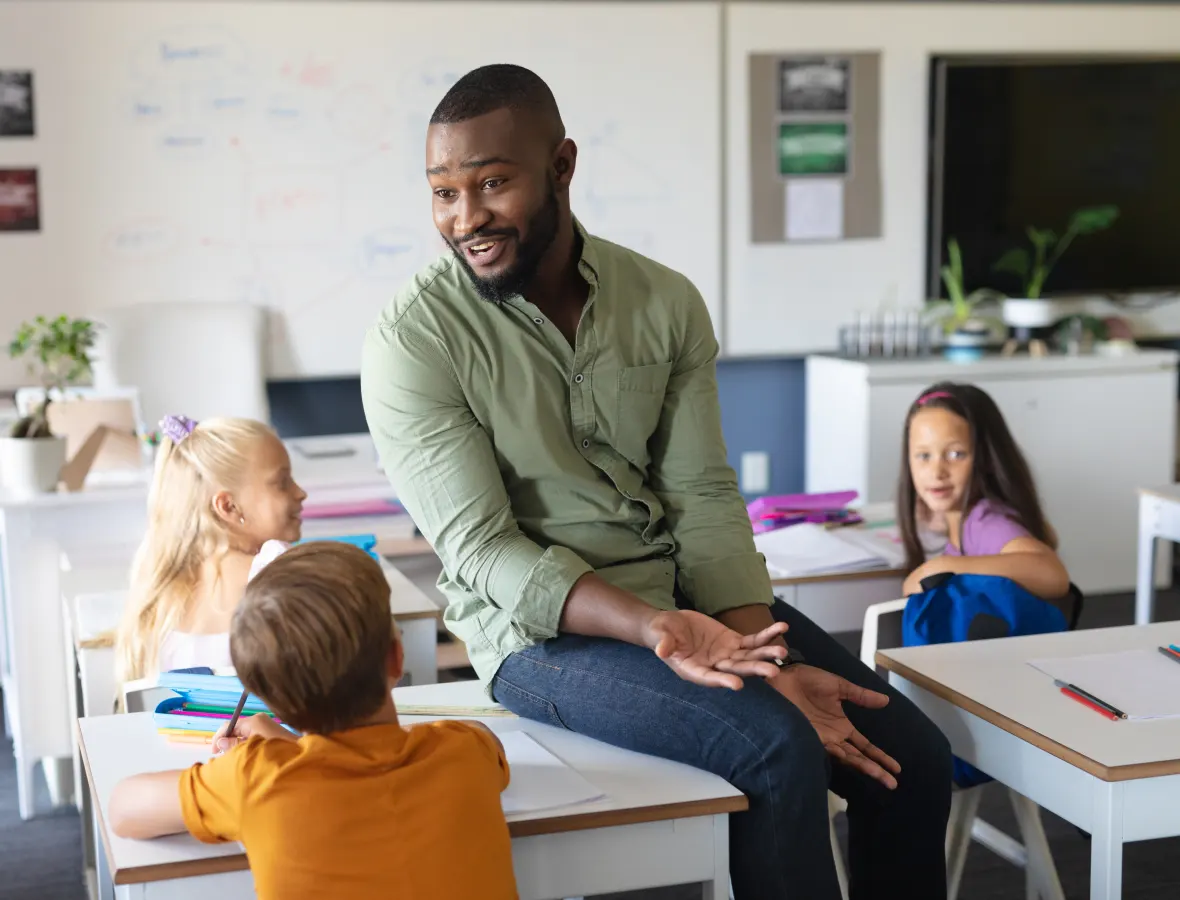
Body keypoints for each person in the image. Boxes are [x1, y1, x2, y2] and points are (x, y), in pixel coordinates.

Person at [360, 63, 951, 899]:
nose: (466, 219)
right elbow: (486, 551)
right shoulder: (413, 341)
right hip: (541, 638)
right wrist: (660, 631)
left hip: (690, 607)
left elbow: (704, 499)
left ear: (561, 166)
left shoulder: (664, 301)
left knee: (912, 761)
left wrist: (759, 654)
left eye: (493, 184)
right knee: (778, 748)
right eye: (443, 193)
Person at [107, 542, 518, 900]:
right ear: (396, 659)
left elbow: (123, 808)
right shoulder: (462, 752)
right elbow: (487, 742)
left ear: (273, 702)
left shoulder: (258, 778)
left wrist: (273, 754)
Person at [115, 414, 306, 683]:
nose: (301, 492)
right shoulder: (275, 572)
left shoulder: (160, 586)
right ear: (228, 506)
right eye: (283, 482)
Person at [897, 382, 1072, 610]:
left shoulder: (985, 522)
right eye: (923, 456)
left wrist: (941, 567)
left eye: (955, 454)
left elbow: (1051, 573)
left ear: (987, 458)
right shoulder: (961, 518)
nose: (937, 472)